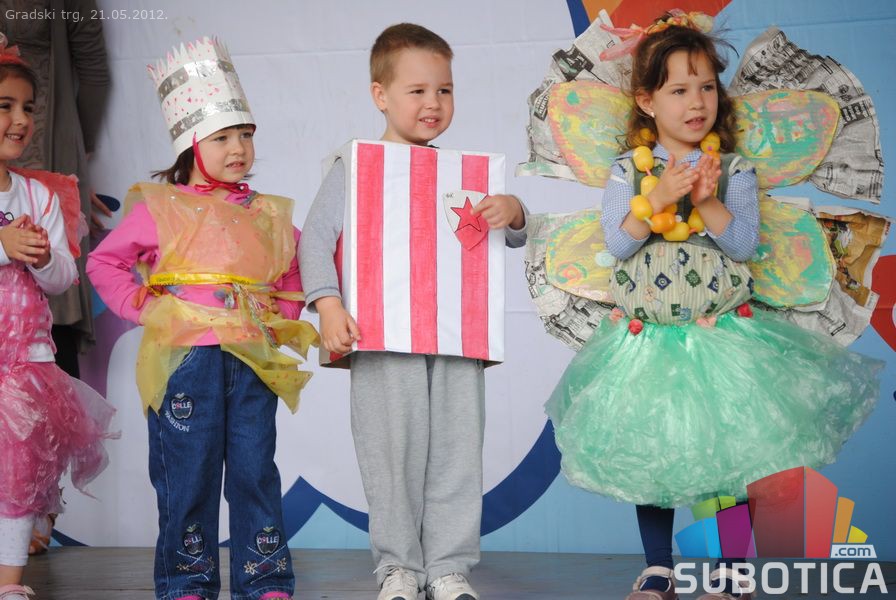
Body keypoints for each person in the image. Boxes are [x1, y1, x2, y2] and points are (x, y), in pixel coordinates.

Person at [544, 12, 883, 600]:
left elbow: (743, 244)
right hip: (647, 339)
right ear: (647, 102)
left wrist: (707, 199)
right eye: (678, 90)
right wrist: (658, 197)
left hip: (718, 335)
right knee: (651, 452)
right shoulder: (628, 171)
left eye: (706, 87)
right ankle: (659, 567)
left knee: (726, 453)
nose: (696, 101)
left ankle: (731, 568)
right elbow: (619, 243)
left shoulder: (732, 169)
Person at [300, 23, 527, 600]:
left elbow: (508, 235)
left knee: (456, 453)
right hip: (380, 336)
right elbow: (315, 239)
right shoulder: (355, 167)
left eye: (444, 90)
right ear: (381, 95)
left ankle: (448, 566)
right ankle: (399, 566)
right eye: (418, 90)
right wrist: (328, 304)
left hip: (456, 337)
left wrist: (514, 209)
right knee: (390, 456)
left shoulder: (464, 174)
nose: (434, 103)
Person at [87, 36, 317, 600]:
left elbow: (297, 265)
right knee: (186, 474)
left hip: (251, 359)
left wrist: (283, 314)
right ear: (191, 144)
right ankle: (188, 582)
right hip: (186, 359)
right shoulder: (162, 208)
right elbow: (104, 261)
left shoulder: (266, 214)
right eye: (222, 137)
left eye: (246, 134)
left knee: (254, 470)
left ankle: (265, 579)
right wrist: (147, 307)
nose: (239, 148)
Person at [0, 37, 113, 600]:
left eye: (28, 107)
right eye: (5, 106)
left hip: (25, 363)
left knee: (19, 468)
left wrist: (44, 258)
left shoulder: (37, 195)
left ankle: (10, 581)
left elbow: (64, 276)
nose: (21, 120)